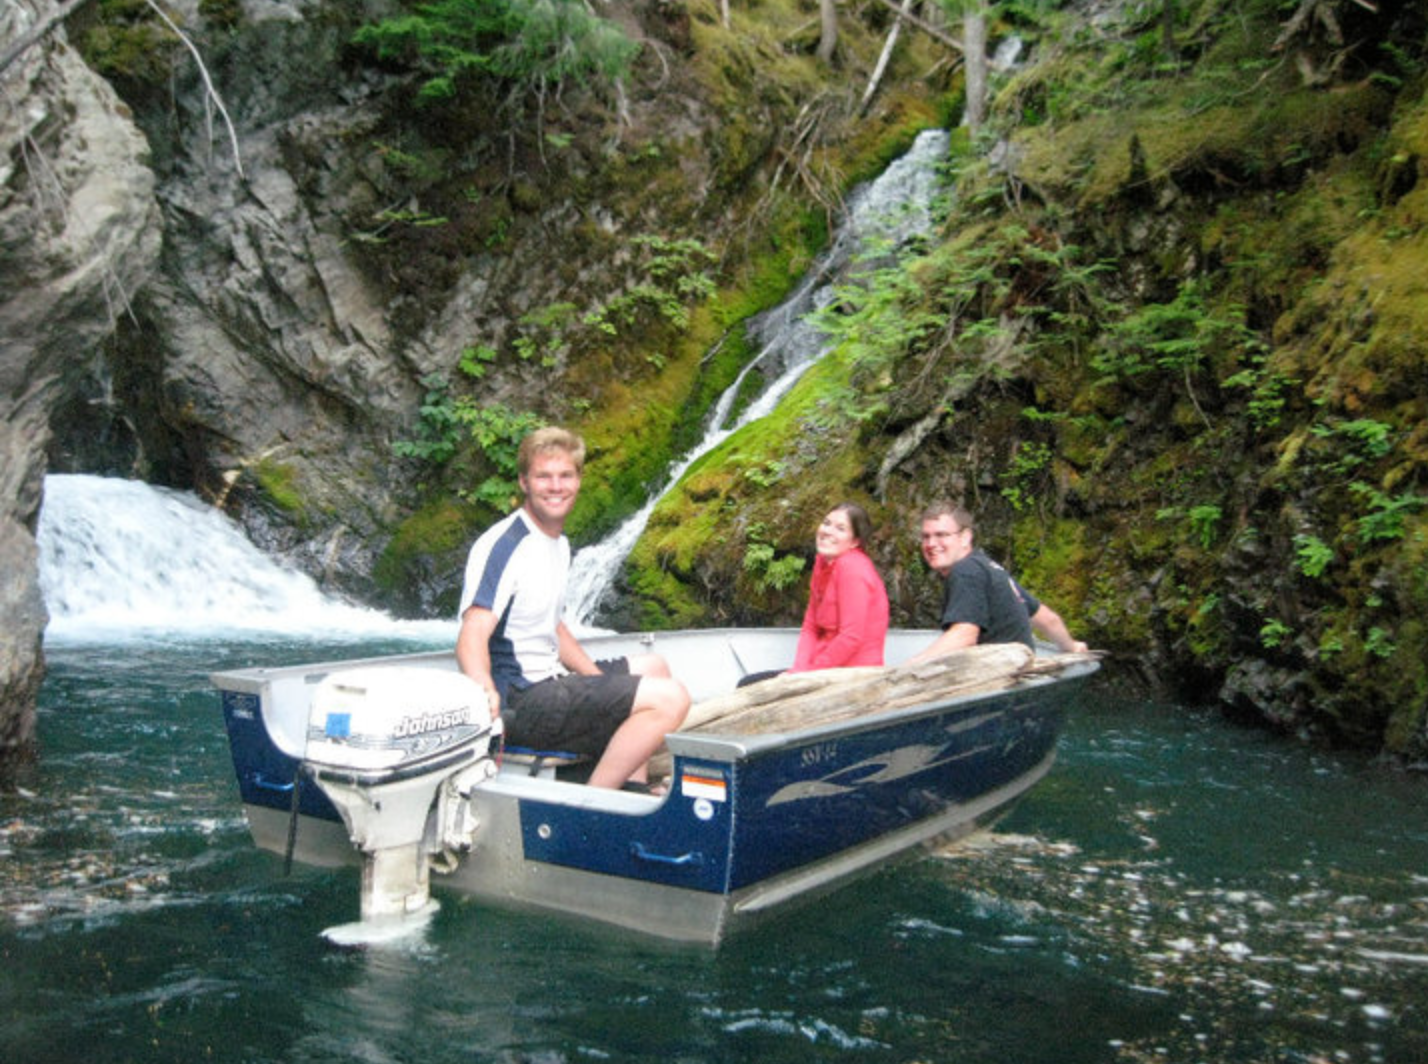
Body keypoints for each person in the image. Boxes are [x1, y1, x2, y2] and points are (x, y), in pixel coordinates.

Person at [454, 427, 690, 792]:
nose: (555, 486)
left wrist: (601, 681)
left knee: (654, 667)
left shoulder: (558, 544)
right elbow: (472, 632)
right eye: (543, 476)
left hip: (553, 682)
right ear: (524, 482)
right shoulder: (506, 545)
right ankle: (596, 801)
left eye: (565, 475)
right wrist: (484, 692)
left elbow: (554, 627)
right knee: (671, 698)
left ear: (578, 481)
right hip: (521, 700)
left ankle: (633, 786)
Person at [910, 501, 1088, 663]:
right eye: (925, 537)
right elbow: (1048, 619)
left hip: (999, 677)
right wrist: (1071, 646)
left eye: (941, 535)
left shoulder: (966, 571)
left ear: (965, 537)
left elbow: (964, 634)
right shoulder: (990, 568)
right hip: (1021, 673)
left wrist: (910, 667)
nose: (931, 544)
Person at [788, 502, 889, 672]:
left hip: (853, 672)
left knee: (751, 683)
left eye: (840, 529)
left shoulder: (853, 567)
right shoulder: (822, 562)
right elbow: (810, 626)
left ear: (855, 541)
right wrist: (799, 669)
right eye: (826, 523)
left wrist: (808, 674)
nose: (828, 531)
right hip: (822, 667)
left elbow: (851, 637)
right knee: (752, 682)